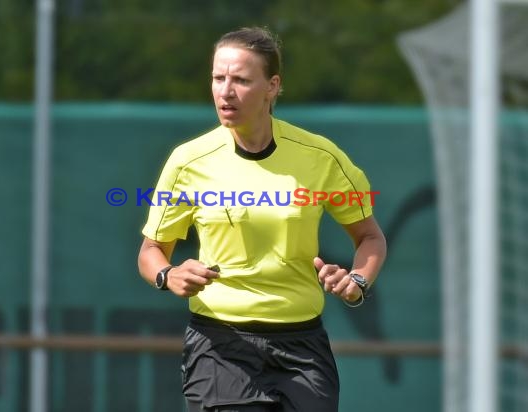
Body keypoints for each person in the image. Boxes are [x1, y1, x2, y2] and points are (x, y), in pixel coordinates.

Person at [137, 26, 387, 412]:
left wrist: (356, 282)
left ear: (272, 86)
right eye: (218, 78)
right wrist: (168, 275)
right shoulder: (188, 161)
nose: (225, 91)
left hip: (303, 347)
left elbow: (370, 237)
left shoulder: (321, 158)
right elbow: (152, 250)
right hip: (221, 346)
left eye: (240, 79)